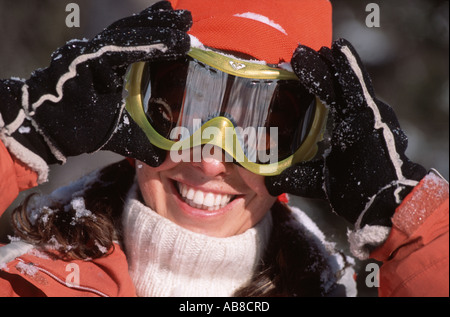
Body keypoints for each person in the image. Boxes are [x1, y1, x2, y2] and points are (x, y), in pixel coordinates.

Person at [0, 0, 448, 297]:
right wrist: (20, 135)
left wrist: (406, 220)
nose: (212, 159)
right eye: (182, 112)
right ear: (133, 110)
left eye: (261, 130)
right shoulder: (24, 283)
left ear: (303, 149)